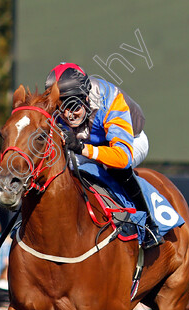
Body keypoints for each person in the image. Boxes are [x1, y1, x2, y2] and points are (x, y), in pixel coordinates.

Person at [45, 62, 163, 249]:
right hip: (87, 143)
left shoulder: (110, 100)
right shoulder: (54, 109)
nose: (68, 115)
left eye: (73, 106)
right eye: (61, 107)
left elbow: (121, 156)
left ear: (85, 98)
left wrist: (83, 149)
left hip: (129, 142)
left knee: (114, 167)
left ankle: (149, 225)